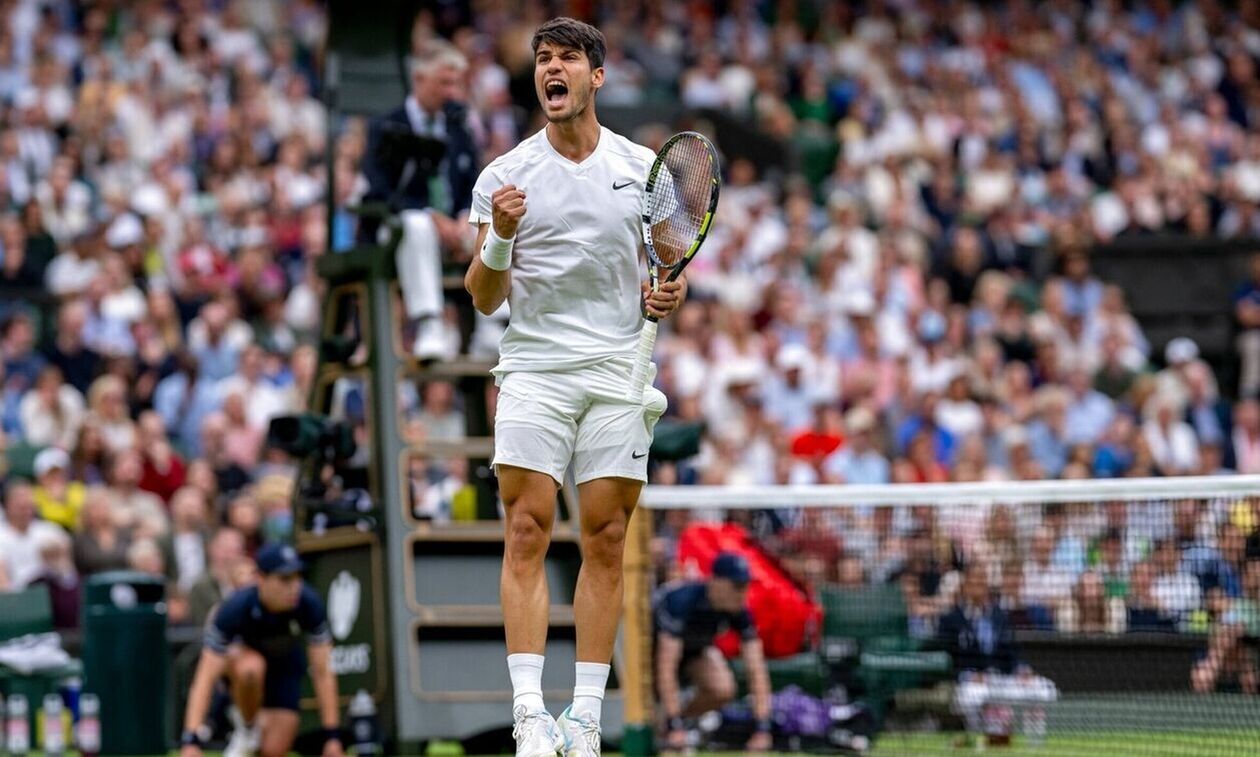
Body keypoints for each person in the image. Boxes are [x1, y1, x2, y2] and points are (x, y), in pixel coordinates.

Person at [462, 17, 685, 757]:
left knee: (607, 537)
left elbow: (663, 270)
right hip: (535, 371)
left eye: (566, 59)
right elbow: (483, 297)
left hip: (618, 373)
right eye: (542, 59)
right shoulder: (504, 175)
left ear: (597, 77)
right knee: (526, 528)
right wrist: (497, 234)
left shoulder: (643, 169)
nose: (550, 70)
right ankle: (531, 713)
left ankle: (585, 717)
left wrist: (667, 296)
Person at [363, 42, 479, 359]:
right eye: (444, 82)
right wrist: (431, 216)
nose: (452, 92)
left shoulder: (458, 129)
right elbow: (379, 188)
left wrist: (463, 217)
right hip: (397, 228)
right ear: (419, 79)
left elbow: (473, 183)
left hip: (452, 230)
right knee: (417, 226)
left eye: (456, 83)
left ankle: (492, 326)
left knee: (494, 224)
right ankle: (429, 324)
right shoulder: (387, 126)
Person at [179, 544, 343, 757]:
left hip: (285, 671)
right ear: (261, 579)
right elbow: (205, 678)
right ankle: (246, 729)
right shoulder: (234, 608)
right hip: (242, 675)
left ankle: (255, 733)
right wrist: (191, 741)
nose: (294, 587)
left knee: (272, 751)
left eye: (297, 577)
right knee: (251, 668)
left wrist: (332, 738)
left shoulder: (309, 604)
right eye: (284, 579)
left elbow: (323, 673)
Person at [653, 553, 772, 753]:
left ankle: (680, 725)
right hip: (650, 654)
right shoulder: (683, 601)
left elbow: (756, 668)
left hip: (694, 651)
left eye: (745, 586)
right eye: (737, 586)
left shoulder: (739, 610)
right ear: (716, 582)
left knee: (722, 687)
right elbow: (666, 664)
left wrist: (762, 728)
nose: (742, 593)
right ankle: (669, 726)